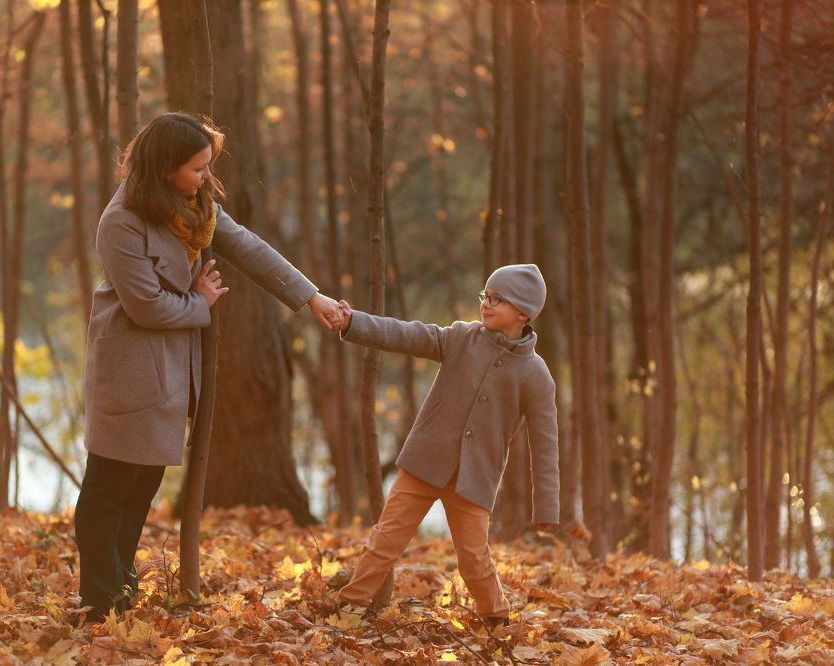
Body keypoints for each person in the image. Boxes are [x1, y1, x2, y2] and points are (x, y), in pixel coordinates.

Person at [75, 112, 343, 623]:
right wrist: (200, 302)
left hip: (174, 371)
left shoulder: (195, 208)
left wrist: (311, 298)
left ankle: (119, 590)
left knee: (142, 489)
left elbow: (250, 249)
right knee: (108, 487)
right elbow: (146, 308)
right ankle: (99, 599)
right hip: (129, 368)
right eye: (198, 167)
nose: (206, 178)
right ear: (165, 166)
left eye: (207, 166)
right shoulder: (122, 222)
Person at [330, 263, 559, 624]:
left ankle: (496, 621)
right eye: (486, 294)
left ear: (522, 313)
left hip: (474, 480)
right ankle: (348, 609)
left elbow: (545, 447)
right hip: (424, 462)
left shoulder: (536, 376)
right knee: (385, 541)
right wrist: (352, 322)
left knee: (473, 558)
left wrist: (546, 508)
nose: (486, 303)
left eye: (498, 299)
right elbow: (407, 334)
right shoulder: (461, 338)